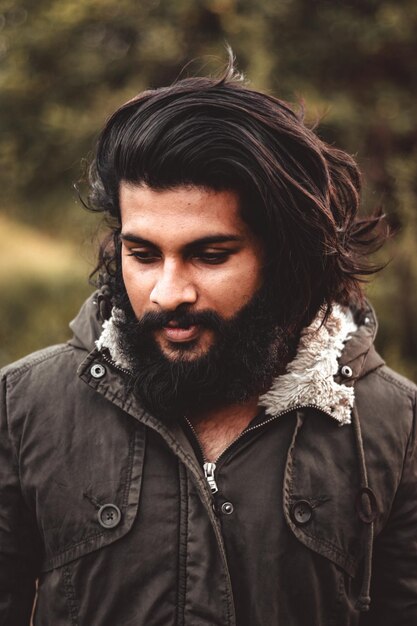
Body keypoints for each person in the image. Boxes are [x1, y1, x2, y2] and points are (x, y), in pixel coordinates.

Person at [1, 60, 416, 626]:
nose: (168, 292)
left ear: (287, 256)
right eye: (143, 255)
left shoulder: (399, 427)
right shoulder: (22, 407)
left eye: (210, 255)